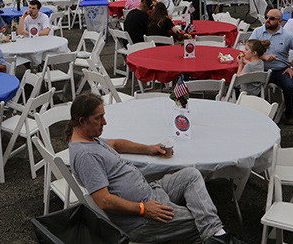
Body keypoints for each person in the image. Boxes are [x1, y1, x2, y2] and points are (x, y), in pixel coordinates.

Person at [68, 94, 244, 244]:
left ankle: (215, 236)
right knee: (201, 221)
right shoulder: (86, 156)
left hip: (152, 191)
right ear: (82, 121)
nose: (104, 122)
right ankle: (218, 236)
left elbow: (115, 144)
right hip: (140, 220)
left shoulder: (91, 139)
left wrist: (150, 148)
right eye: (99, 118)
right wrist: (143, 209)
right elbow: (104, 200)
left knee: (191, 174)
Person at [249, 9, 293, 125]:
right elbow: (250, 50)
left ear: (280, 22)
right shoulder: (258, 32)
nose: (268, 20)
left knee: (290, 87)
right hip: (260, 68)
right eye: (267, 17)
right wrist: (264, 56)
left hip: (280, 69)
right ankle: (252, 112)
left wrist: (291, 66)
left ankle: (289, 114)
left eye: (272, 18)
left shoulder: (288, 35)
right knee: (243, 83)